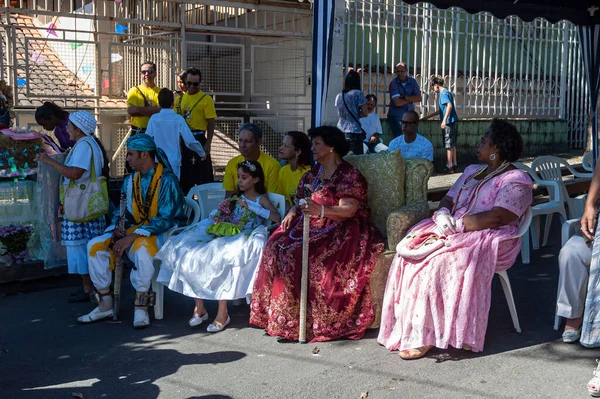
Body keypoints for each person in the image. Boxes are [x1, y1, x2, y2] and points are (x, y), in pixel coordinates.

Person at [377, 119, 532, 358]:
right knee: (408, 252)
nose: (478, 144)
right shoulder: (472, 171)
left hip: (491, 236)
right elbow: (449, 198)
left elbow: (499, 217)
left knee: (436, 263)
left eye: (484, 141)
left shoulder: (516, 179)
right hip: (455, 227)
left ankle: (426, 334)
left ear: (497, 149)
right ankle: (408, 326)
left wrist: (460, 225)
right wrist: (442, 214)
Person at [250, 126, 385, 343]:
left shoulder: (349, 175)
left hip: (342, 228)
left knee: (300, 253)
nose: (311, 148)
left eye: (316, 144)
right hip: (311, 223)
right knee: (276, 244)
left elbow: (349, 209)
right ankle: (283, 319)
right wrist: (294, 210)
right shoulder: (314, 174)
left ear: (331, 147)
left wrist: (321, 211)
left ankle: (309, 322)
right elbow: (302, 200)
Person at [156, 160, 281, 332]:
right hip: (226, 230)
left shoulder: (261, 199)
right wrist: (220, 213)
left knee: (221, 257)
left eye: (244, 177)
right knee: (194, 252)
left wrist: (253, 207)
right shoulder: (236, 198)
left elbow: (276, 217)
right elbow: (224, 213)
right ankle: (199, 306)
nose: (240, 181)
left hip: (243, 234)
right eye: (239, 177)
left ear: (256, 180)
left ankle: (223, 313)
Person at [78, 134, 185, 328]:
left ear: (144, 154)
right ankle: (105, 304)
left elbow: (166, 218)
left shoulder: (167, 181)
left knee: (142, 250)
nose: (127, 158)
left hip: (162, 233)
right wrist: (117, 231)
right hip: (133, 231)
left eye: (130, 154)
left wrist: (133, 237)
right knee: (95, 247)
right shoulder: (130, 180)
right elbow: (124, 214)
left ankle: (141, 307)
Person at [36, 111, 110, 303]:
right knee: (85, 246)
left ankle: (91, 288)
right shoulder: (86, 144)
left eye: (70, 126)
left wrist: (49, 161)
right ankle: (92, 287)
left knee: (81, 247)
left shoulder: (84, 146)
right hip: (84, 203)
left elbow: (75, 173)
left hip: (81, 205)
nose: (66, 129)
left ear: (78, 129)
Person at [145, 88, 206, 180]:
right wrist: (201, 153)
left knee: (159, 189)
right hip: (174, 162)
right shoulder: (178, 119)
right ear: (173, 104)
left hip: (158, 161)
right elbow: (189, 141)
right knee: (173, 189)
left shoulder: (154, 119)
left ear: (159, 103)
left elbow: (147, 139)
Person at [175, 67, 217, 194]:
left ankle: (203, 205)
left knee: (202, 176)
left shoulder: (206, 99)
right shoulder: (180, 99)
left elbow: (210, 122)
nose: (192, 86)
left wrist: (208, 143)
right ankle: (187, 207)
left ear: (200, 82)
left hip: (198, 138)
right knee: (185, 177)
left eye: (195, 84)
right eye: (189, 83)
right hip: (183, 140)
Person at [223, 123, 280, 198]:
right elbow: (228, 196)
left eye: (248, 141)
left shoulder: (272, 165)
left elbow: (273, 199)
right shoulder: (232, 163)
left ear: (259, 142)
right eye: (240, 140)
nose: (242, 145)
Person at [335, 70, 368, 155]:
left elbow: (340, 112)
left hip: (340, 130)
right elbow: (365, 113)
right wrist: (358, 114)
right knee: (357, 159)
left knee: (342, 157)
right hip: (354, 131)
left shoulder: (339, 95)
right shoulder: (358, 93)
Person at [431, 76, 459, 173]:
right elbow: (443, 109)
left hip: (448, 122)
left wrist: (444, 120)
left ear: (436, 85)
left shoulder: (443, 94)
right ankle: (454, 164)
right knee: (453, 144)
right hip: (454, 120)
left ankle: (449, 166)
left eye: (433, 86)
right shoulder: (448, 92)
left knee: (448, 145)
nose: (433, 89)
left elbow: (449, 106)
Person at [387, 62, 422, 138]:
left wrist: (405, 97)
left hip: (410, 116)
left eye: (402, 71)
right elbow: (397, 103)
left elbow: (419, 98)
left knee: (414, 137)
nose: (400, 74)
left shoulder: (412, 82)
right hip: (397, 116)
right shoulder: (394, 83)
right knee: (402, 138)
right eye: (398, 71)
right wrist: (412, 99)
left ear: (406, 70)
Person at [277, 131, 311, 207]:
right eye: (282, 144)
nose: (280, 148)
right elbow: (283, 199)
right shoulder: (283, 171)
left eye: (285, 146)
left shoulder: (309, 172)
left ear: (298, 151)